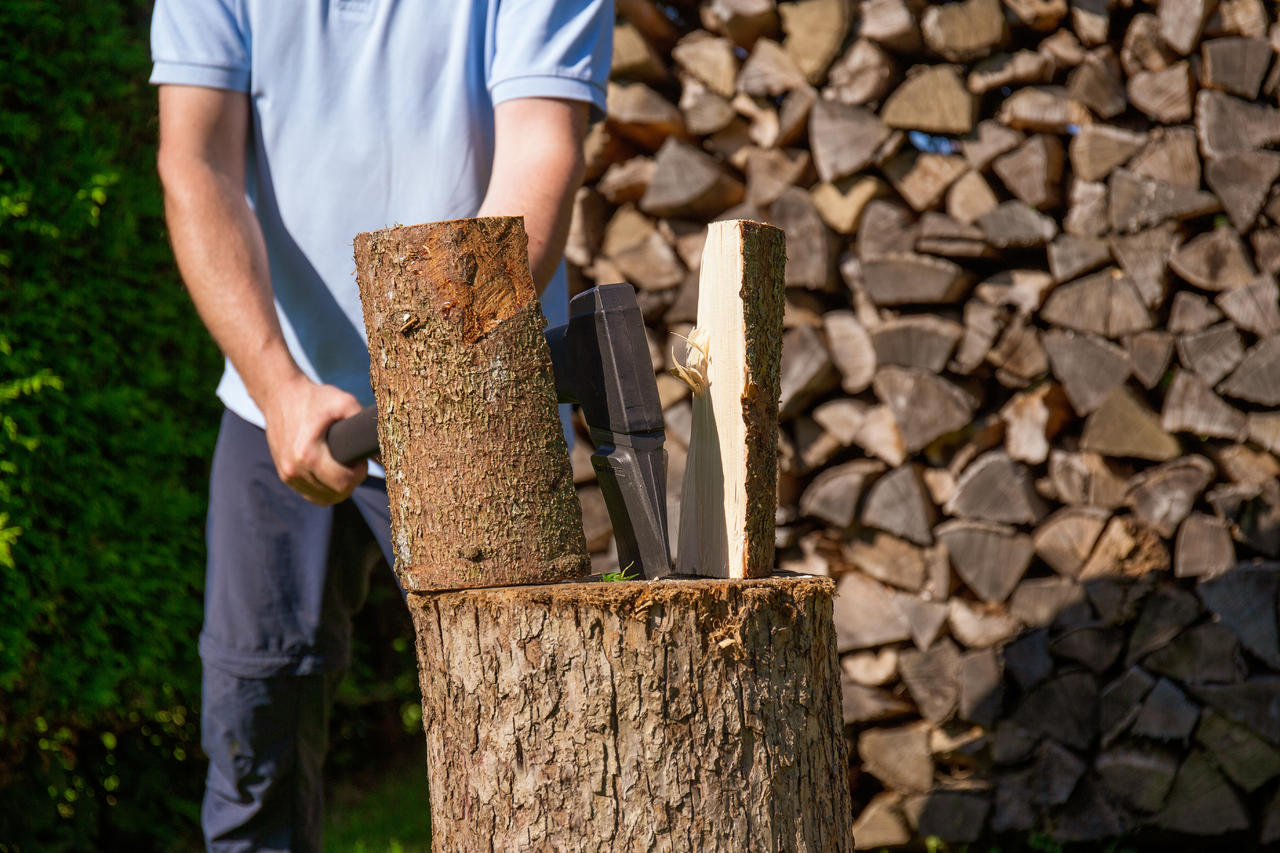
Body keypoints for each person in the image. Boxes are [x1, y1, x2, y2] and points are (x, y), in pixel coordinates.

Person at [149, 1, 612, 848]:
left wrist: (440, 373)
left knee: (534, 755)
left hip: (481, 414)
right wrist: (278, 383)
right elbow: (195, 163)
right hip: (279, 409)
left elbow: (541, 149)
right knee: (254, 740)